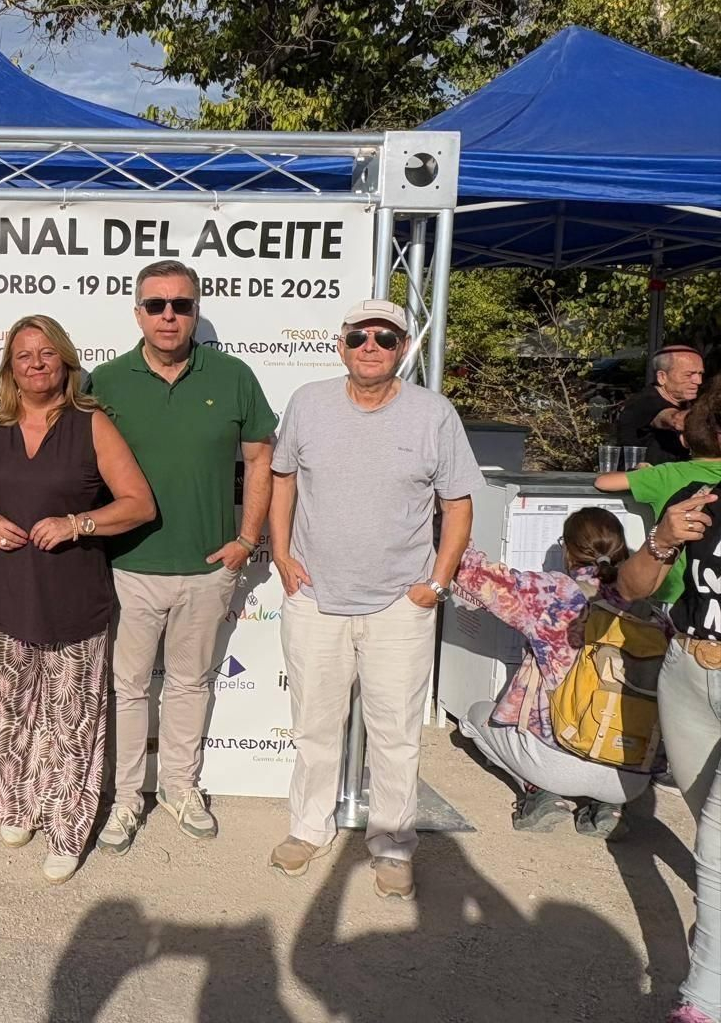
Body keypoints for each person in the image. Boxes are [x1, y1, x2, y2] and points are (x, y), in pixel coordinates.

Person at [267, 298, 482, 900]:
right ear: (341, 344)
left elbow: (458, 504)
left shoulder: (433, 413)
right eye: (359, 335)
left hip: (398, 604)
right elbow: (283, 478)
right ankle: (309, 829)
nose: (370, 346)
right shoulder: (308, 403)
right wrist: (280, 554)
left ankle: (391, 845)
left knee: (396, 733)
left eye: (384, 338)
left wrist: (435, 585)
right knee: (314, 726)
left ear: (403, 348)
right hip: (314, 598)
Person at [87, 259, 278, 854]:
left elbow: (262, 460)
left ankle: (179, 787)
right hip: (128, 567)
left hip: (206, 567)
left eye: (182, 305)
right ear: (137, 312)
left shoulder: (235, 375)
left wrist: (246, 541)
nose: (169, 316)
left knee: (191, 684)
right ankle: (123, 800)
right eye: (156, 305)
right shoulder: (105, 381)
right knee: (129, 688)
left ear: (196, 311)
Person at [0, 315, 155, 883]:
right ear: (9, 366)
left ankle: (67, 830)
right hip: (3, 596)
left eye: (47, 354)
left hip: (72, 600)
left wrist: (79, 522)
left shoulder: (91, 423)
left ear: (66, 362)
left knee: (70, 724)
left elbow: (139, 504)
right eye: (24, 355)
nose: (36, 364)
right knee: (6, 714)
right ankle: (15, 805)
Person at [451, 507, 652, 838]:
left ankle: (539, 793)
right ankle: (608, 807)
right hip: (632, 772)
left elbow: (472, 572)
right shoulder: (647, 603)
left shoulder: (553, 593)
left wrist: (450, 513)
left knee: (474, 717)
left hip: (559, 764)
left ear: (569, 552)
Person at [621, 488, 721, 1023]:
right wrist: (661, 541)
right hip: (688, 673)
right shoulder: (700, 497)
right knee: (706, 819)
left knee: (716, 843)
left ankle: (703, 1004)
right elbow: (632, 587)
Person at [597, 381, 721, 608]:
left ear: (684, 439)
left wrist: (642, 471)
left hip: (674, 597)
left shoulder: (668, 475)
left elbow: (604, 481)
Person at [617, 344, 706, 465]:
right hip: (642, 480)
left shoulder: (687, 402)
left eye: (700, 374)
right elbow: (675, 420)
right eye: (688, 374)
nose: (698, 381)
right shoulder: (646, 401)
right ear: (662, 377)